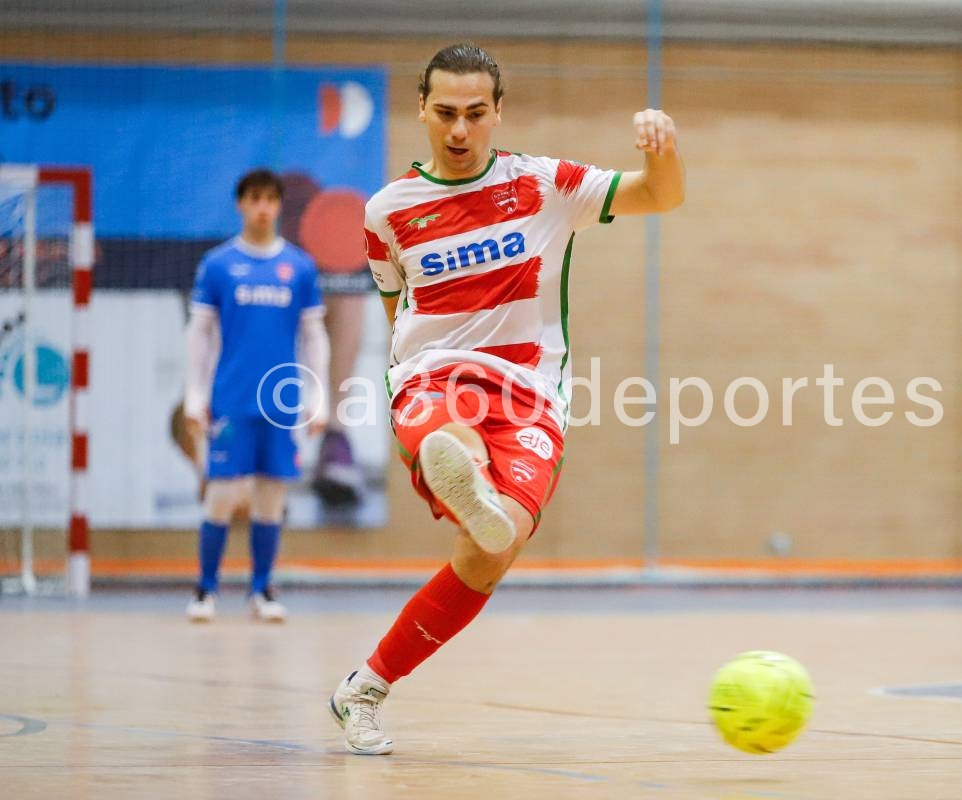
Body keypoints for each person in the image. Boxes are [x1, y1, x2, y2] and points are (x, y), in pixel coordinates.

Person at [328, 43, 684, 754]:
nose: (460, 131)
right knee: (447, 438)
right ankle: (458, 461)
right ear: (421, 110)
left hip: (528, 397)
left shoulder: (546, 185)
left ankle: (362, 686)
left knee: (494, 548)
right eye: (446, 113)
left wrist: (663, 149)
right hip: (433, 377)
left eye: (475, 114)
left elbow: (660, 194)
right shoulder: (387, 211)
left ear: (498, 113)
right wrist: (415, 384)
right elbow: (396, 304)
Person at [183, 168, 330, 623]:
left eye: (270, 198)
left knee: (271, 498)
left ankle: (262, 590)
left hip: (280, 404)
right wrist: (195, 393)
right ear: (240, 204)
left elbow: (314, 336)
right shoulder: (218, 264)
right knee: (222, 495)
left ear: (279, 205)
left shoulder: (300, 267)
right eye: (254, 198)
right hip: (230, 399)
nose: (263, 206)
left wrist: (318, 396)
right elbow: (200, 333)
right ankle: (205, 590)